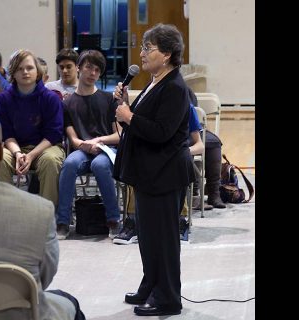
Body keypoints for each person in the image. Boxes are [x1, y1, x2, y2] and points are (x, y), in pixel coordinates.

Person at [0, 106, 85, 320]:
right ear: (0, 152)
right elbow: (44, 278)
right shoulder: (39, 211)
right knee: (67, 301)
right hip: (17, 314)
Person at [113, 23, 196, 316]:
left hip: (165, 174)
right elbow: (143, 121)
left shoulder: (175, 87)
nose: (143, 53)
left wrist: (129, 116)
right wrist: (125, 107)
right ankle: (150, 286)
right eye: (143, 47)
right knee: (148, 238)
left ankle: (169, 299)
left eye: (149, 48)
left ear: (169, 54)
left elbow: (161, 131)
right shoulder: (155, 81)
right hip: (149, 174)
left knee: (164, 240)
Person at [113, 100, 204, 245]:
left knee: (178, 165)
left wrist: (183, 152)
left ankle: (180, 221)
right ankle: (133, 221)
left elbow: (199, 145)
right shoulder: (149, 103)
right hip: (152, 153)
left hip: (174, 155)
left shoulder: (185, 106)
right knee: (134, 163)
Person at [56, 49, 122, 240]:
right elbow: (73, 138)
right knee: (69, 164)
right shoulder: (67, 103)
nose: (92, 73)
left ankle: (113, 219)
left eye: (97, 70)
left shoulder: (108, 99)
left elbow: (118, 134)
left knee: (99, 165)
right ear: (79, 68)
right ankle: (63, 221)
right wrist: (84, 144)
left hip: (106, 149)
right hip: (83, 149)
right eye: (88, 68)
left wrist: (99, 140)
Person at [0, 49, 65, 207]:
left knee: (51, 160)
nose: (25, 72)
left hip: (45, 147)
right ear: (13, 73)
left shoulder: (51, 98)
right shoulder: (4, 99)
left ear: (38, 71)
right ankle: (5, 211)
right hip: (14, 148)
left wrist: (32, 155)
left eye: (29, 68)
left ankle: (48, 215)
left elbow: (53, 134)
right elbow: (5, 134)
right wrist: (18, 153)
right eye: (19, 69)